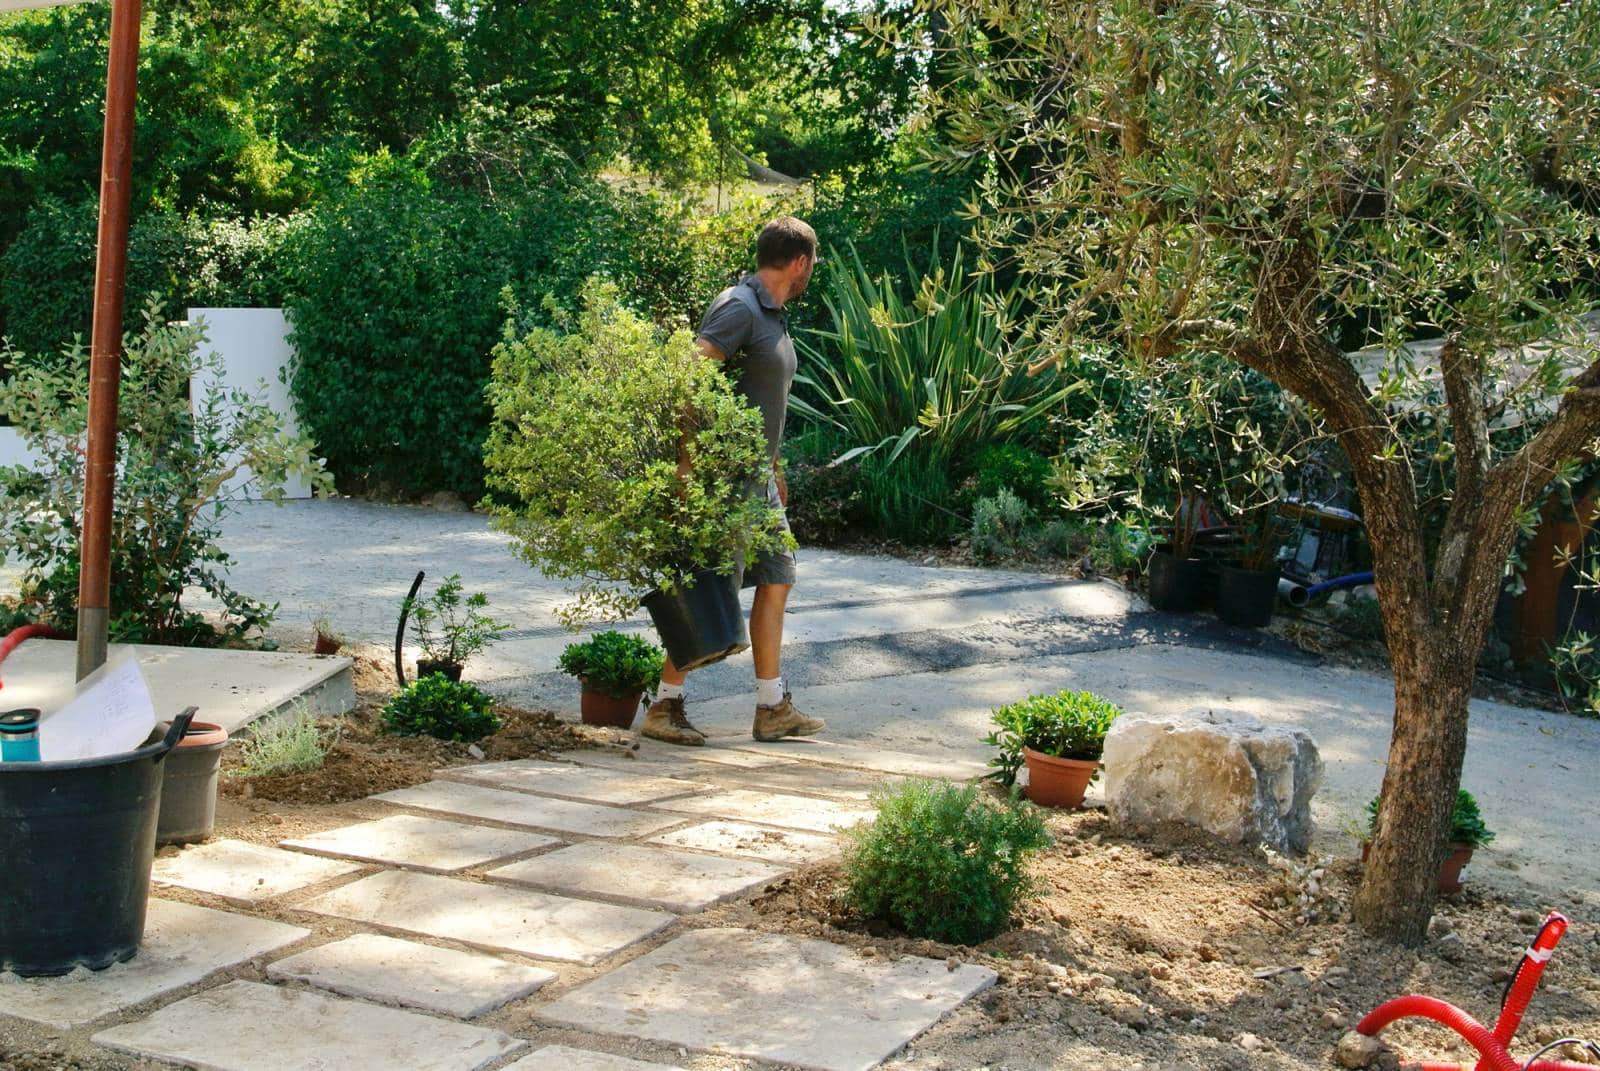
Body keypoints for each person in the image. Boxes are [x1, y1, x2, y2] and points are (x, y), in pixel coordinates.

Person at [640, 216, 827, 746]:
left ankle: (772, 708)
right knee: (707, 588)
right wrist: (687, 461)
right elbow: (690, 378)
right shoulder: (739, 307)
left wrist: (775, 466)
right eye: (812, 262)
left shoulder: (773, 314)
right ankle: (664, 706)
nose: (812, 270)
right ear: (800, 261)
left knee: (777, 578)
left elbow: (759, 401)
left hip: (758, 480)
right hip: (723, 479)